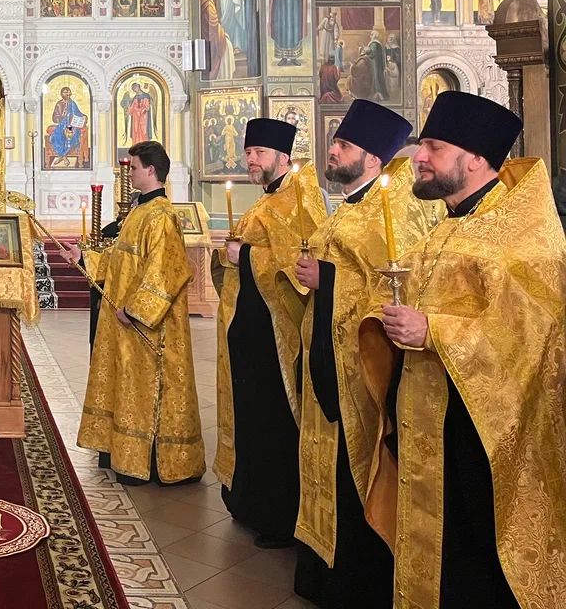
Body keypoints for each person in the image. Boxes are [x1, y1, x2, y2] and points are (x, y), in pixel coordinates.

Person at [358, 92, 565, 609]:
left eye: (433, 147)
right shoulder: (448, 225)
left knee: (478, 552)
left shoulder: (520, 234)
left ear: (474, 158)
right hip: (430, 416)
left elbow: (533, 333)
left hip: (484, 432)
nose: (419, 158)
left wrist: (434, 331)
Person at [287, 101, 435, 608]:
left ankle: (353, 582)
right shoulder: (348, 207)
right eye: (335, 142)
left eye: (344, 145)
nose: (332, 151)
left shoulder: (393, 211)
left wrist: (326, 278)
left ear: (373, 159)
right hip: (324, 355)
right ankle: (319, 571)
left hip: (359, 368)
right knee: (320, 461)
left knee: (355, 464)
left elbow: (394, 286)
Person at [218, 118, 326, 547]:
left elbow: (298, 263)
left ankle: (278, 515)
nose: (251, 159)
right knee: (251, 416)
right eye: (248, 152)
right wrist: (235, 255)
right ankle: (247, 501)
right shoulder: (265, 201)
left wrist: (244, 255)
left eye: (259, 152)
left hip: (276, 335)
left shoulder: (301, 199)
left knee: (274, 421)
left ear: (283, 157)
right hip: (250, 330)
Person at [76, 142, 205, 485]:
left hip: (149, 328)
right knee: (127, 385)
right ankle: (123, 454)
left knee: (148, 390)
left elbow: (167, 271)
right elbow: (121, 259)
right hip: (125, 321)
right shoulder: (139, 211)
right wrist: (84, 258)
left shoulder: (161, 216)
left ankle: (149, 462)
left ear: (151, 169)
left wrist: (135, 310)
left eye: (133, 167)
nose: (129, 173)